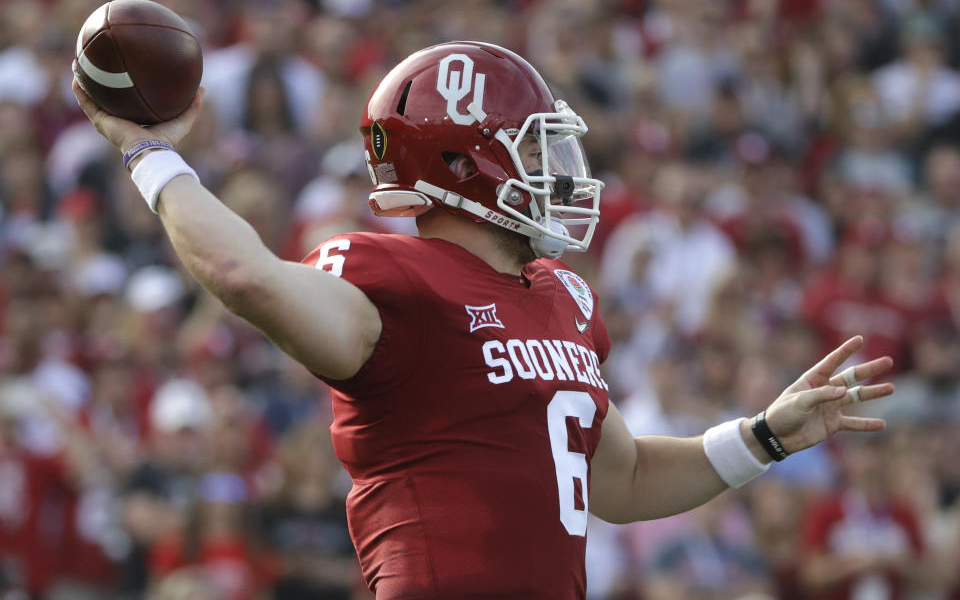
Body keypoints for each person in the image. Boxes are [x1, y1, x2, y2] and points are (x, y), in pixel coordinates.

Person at [73, 41, 895, 598]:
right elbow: (241, 273)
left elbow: (624, 479)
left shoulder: (564, 296)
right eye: (533, 149)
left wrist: (765, 436)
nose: (555, 169)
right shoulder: (392, 276)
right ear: (464, 162)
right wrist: (149, 151)